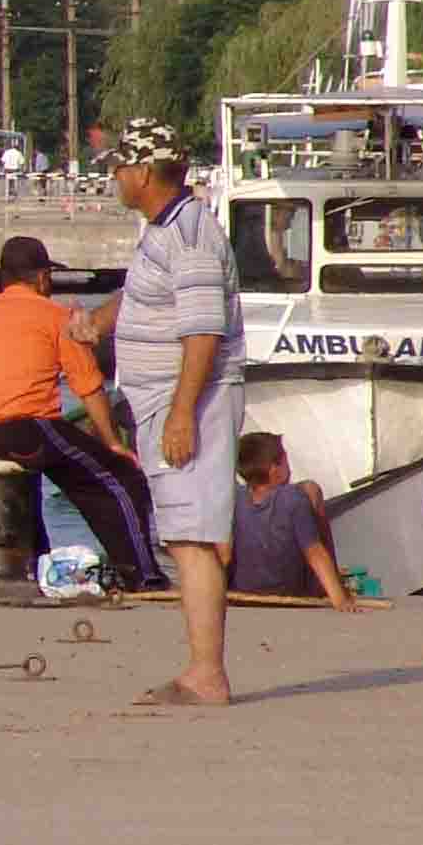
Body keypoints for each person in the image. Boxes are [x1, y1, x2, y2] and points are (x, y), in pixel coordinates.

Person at [70, 120, 243, 705]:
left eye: (120, 167)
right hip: (162, 400)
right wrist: (100, 322)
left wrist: (181, 413)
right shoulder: (163, 231)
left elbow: (202, 330)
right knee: (181, 533)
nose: (115, 177)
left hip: (187, 398)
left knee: (192, 537)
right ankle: (201, 669)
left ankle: (206, 673)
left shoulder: (190, 236)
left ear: (144, 173)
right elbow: (148, 295)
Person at [0, 233, 157, 587]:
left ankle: (33, 561)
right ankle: (143, 575)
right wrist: (112, 443)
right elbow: (89, 387)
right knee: (118, 479)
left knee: (39, 474)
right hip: (25, 430)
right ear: (43, 278)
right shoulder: (57, 316)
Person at [230, 431, 359, 607]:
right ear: (274, 469)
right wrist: (340, 599)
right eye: (285, 461)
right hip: (288, 591)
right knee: (312, 489)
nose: (289, 467)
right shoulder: (293, 499)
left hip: (241, 592)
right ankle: (326, 586)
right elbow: (314, 552)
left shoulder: (234, 498)